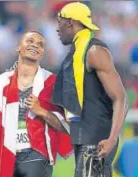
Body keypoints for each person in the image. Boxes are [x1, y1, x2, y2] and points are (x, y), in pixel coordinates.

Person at [0, 31, 73, 177]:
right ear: (18, 47)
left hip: (36, 155)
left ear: (42, 53)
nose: (35, 45)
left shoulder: (52, 83)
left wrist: (42, 111)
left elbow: (67, 126)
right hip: (4, 154)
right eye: (30, 41)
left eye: (40, 45)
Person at [52, 2, 129, 177]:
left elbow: (121, 99)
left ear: (70, 22)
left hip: (98, 141)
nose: (57, 28)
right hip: (84, 139)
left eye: (59, 22)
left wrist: (112, 139)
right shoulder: (74, 55)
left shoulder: (94, 51)